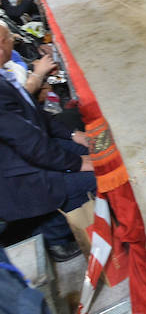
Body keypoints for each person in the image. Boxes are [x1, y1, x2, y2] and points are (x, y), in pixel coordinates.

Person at [0, 22, 95, 262]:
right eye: (8, 37)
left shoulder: (4, 75)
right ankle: (58, 238)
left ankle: (74, 220)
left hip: (28, 154)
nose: (13, 39)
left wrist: (73, 135)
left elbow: (34, 115)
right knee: (95, 173)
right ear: (1, 47)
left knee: (91, 150)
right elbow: (29, 143)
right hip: (17, 176)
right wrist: (76, 163)